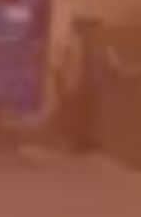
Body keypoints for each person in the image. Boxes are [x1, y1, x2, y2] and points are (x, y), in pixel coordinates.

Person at [57, 15, 133, 153]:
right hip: (75, 83)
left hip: (94, 84)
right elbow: (62, 65)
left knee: (91, 113)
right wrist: (62, 83)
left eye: (92, 28)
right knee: (76, 112)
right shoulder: (70, 43)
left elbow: (114, 64)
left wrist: (127, 72)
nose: (89, 32)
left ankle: (86, 142)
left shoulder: (104, 45)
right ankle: (75, 141)